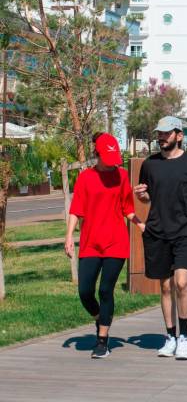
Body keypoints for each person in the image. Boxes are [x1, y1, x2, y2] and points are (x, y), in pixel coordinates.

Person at [133, 116, 187, 361]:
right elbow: (149, 198)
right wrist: (142, 198)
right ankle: (170, 336)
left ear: (179, 135)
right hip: (157, 231)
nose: (161, 137)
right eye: (159, 133)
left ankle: (185, 337)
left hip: (185, 230)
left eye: (166, 133)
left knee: (182, 283)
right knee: (164, 286)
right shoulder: (149, 165)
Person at [65, 133, 145, 359]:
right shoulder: (85, 178)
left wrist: (140, 224)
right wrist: (69, 236)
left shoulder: (121, 176)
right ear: (97, 154)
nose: (112, 163)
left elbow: (127, 208)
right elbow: (76, 209)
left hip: (116, 243)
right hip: (90, 243)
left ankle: (102, 341)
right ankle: (100, 317)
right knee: (85, 292)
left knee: (105, 290)